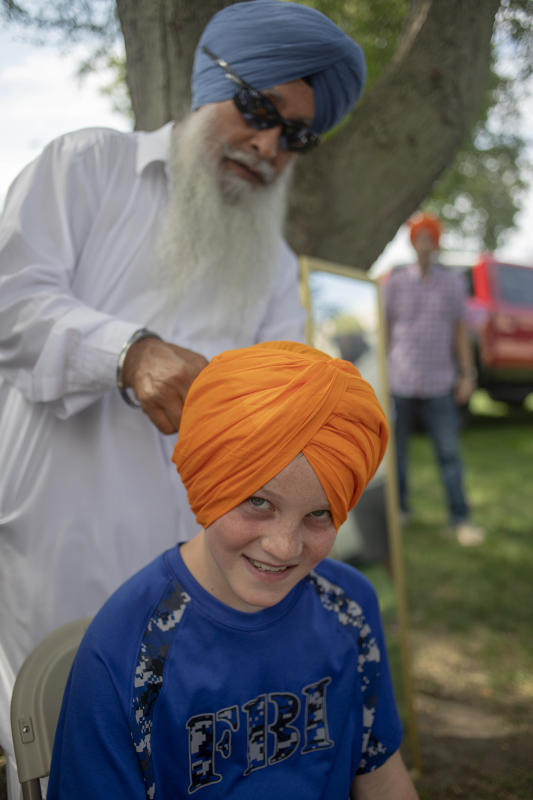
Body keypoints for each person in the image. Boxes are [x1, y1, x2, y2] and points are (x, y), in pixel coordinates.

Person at [0, 2, 368, 794]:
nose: (269, 145)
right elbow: (9, 302)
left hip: (207, 572)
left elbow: (290, 410)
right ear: (213, 83)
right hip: (61, 541)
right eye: (260, 111)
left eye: (296, 135)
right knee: (53, 745)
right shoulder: (86, 166)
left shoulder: (273, 266)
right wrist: (127, 352)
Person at [47, 340, 418, 800]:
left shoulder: (349, 610)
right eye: (259, 502)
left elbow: (380, 777)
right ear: (210, 483)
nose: (284, 546)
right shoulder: (127, 648)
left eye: (319, 515)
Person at [383, 212, 485, 546]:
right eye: (419, 238)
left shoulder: (452, 283)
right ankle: (400, 510)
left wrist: (467, 374)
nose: (424, 244)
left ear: (436, 243)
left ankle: (460, 517)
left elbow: (460, 331)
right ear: (412, 243)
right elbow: (384, 330)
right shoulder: (395, 283)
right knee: (395, 453)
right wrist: (378, 373)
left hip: (441, 381)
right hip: (399, 381)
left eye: (430, 238)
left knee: (449, 452)